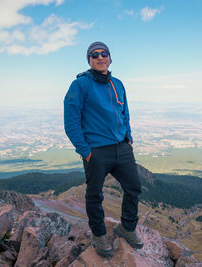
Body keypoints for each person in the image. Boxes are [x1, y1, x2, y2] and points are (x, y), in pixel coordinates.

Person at [64, 41, 143, 257]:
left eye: (104, 53)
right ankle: (99, 235)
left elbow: (124, 112)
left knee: (134, 188)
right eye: (94, 55)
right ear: (89, 60)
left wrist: (128, 137)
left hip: (121, 148)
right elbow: (70, 122)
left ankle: (126, 227)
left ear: (110, 57)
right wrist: (86, 151)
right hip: (97, 151)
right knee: (94, 195)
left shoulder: (118, 83)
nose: (100, 57)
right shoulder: (80, 85)